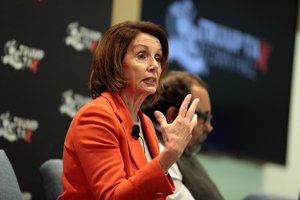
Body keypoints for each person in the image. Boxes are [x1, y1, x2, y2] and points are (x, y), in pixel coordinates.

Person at [58, 21, 199, 200]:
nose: (155, 66)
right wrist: (170, 155)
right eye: (142, 56)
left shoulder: (145, 123)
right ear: (115, 63)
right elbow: (113, 197)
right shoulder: (96, 117)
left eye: (157, 58)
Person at [142, 70, 224, 200]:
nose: (209, 128)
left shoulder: (182, 150)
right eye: (204, 117)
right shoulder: (160, 152)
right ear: (174, 115)